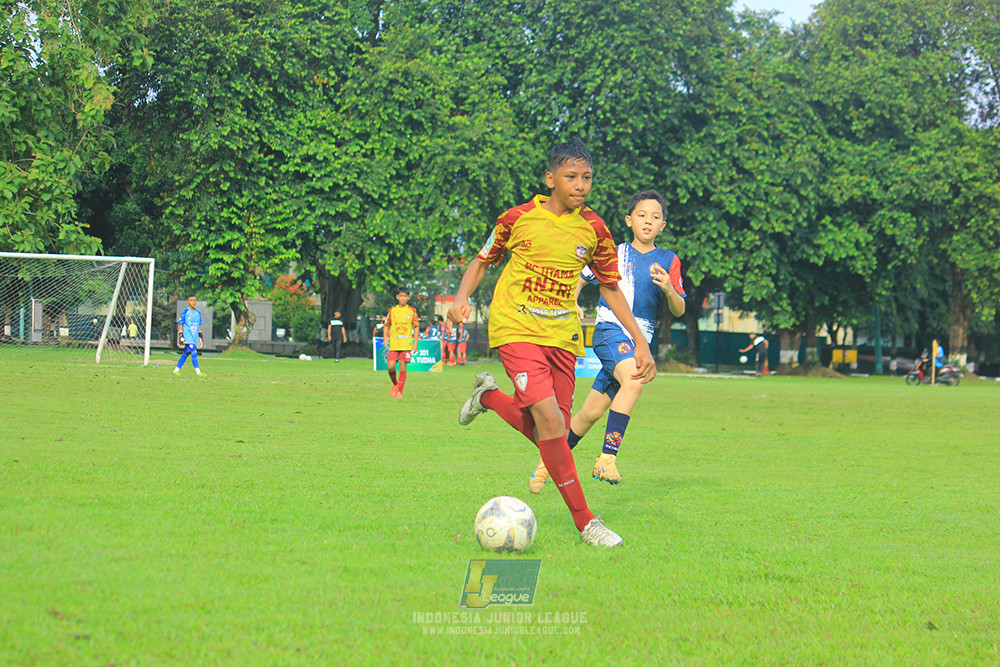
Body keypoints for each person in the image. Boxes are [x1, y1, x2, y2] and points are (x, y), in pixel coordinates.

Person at [448, 139, 655, 548]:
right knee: (548, 420)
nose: (580, 185)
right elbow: (483, 258)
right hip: (516, 326)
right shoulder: (517, 218)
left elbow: (610, 288)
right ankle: (587, 523)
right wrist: (460, 297)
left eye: (587, 178)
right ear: (551, 179)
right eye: (571, 177)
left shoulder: (594, 229)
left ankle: (489, 398)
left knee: (553, 432)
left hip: (562, 336)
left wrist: (639, 341)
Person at [529, 190, 685, 492]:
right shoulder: (614, 253)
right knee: (636, 380)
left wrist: (669, 289)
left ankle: (546, 464)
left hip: (638, 343)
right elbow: (581, 277)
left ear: (663, 225)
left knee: (590, 412)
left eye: (655, 217)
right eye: (642, 215)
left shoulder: (669, 260)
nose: (648, 221)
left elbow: (679, 309)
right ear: (629, 220)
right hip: (610, 330)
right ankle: (607, 458)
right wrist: (572, 300)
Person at [383, 287, 419, 398]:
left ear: (408, 297)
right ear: (397, 297)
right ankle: (395, 384)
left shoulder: (412, 311)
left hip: (406, 344)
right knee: (390, 367)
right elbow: (386, 325)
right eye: (401, 296)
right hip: (394, 344)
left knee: (403, 367)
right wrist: (385, 338)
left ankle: (400, 392)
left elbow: (416, 326)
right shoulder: (392, 310)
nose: (403, 298)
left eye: (405, 296)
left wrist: (415, 342)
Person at [174, 296, 204, 376]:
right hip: (187, 336)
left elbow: (199, 325)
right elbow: (180, 323)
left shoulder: (198, 313)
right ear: (188, 301)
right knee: (194, 352)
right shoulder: (185, 312)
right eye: (191, 300)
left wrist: (200, 336)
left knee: (185, 354)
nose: (193, 302)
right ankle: (198, 372)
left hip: (194, 337)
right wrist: (181, 335)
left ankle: (176, 370)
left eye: (194, 300)